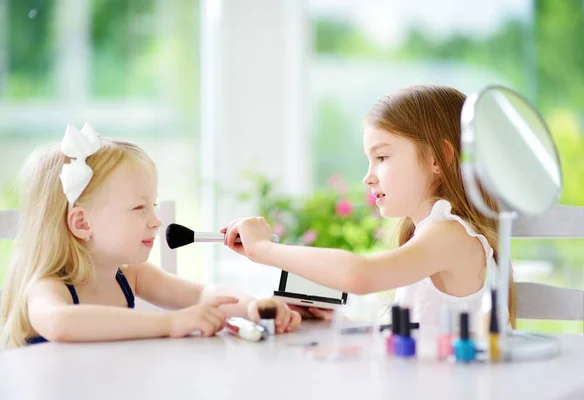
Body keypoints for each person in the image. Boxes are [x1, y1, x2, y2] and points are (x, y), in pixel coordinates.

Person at [221, 85, 515, 328]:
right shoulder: (431, 233)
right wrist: (336, 321)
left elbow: (359, 276)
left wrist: (263, 249)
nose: (368, 177)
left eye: (382, 157)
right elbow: (413, 337)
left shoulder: (452, 236)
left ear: (438, 158)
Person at [0, 123, 300, 348]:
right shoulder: (49, 286)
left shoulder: (132, 277)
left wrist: (253, 308)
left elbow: (201, 295)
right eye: (139, 207)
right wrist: (168, 323)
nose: (156, 221)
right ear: (82, 223)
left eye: (153, 206)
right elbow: (60, 323)